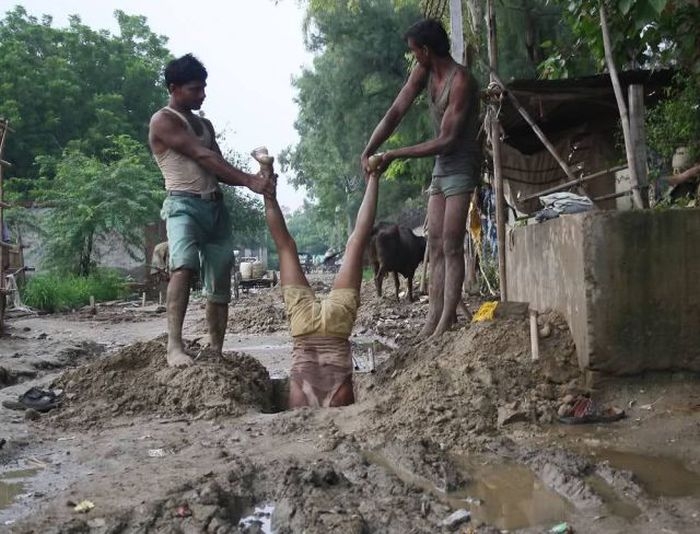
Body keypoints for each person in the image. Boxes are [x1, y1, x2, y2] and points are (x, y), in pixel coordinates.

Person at [148, 54, 274, 367]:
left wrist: (256, 179)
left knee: (219, 276)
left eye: (203, 87)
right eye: (195, 89)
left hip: (214, 207)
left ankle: (215, 348)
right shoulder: (162, 121)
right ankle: (174, 347)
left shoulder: (204, 124)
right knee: (183, 266)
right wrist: (250, 181)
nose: (202, 94)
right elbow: (201, 156)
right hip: (182, 205)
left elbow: (216, 168)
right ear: (174, 88)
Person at [361, 19, 481, 339]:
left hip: (461, 164)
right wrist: (370, 149)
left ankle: (445, 322)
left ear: (426, 51)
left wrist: (394, 154)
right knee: (437, 244)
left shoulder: (461, 81)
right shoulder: (424, 72)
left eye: (414, 52)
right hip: (442, 167)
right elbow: (396, 111)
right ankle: (433, 319)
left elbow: (447, 140)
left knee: (452, 245)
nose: (414, 58)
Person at [264, 171, 380, 408]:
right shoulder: (328, 399)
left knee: (353, 243)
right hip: (312, 329)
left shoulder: (299, 402)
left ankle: (375, 177)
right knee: (351, 243)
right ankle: (374, 176)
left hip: (331, 328)